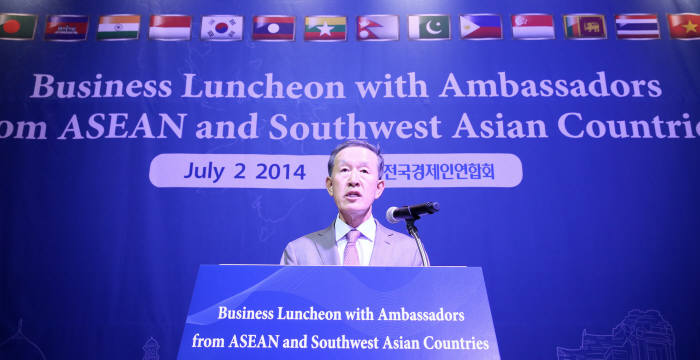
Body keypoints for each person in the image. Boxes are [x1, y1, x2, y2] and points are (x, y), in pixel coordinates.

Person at [280, 140, 426, 266]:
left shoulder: (409, 250)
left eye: (364, 171)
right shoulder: (299, 252)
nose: (353, 180)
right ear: (330, 185)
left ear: (378, 188)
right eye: (344, 170)